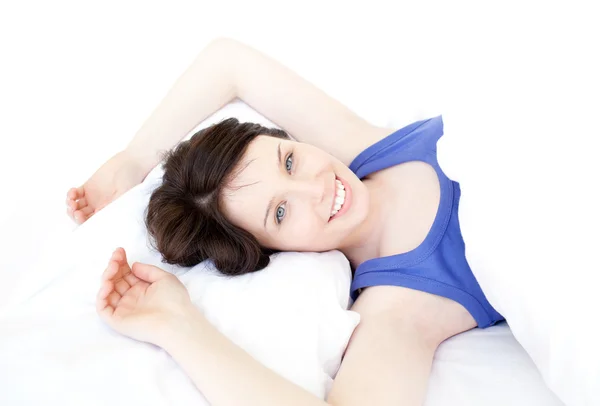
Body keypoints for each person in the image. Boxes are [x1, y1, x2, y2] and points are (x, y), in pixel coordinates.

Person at [66, 38, 503, 405]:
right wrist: (177, 325)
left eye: (289, 161)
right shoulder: (400, 310)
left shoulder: (369, 149)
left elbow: (227, 62)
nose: (317, 189)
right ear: (271, 251)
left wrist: (134, 158)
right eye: (280, 212)